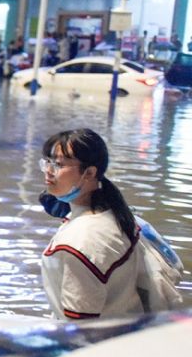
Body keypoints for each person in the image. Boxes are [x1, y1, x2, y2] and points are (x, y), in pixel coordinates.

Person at [37, 128, 146, 320]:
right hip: (124, 330)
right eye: (47, 162)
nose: (48, 171)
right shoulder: (116, 214)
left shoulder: (81, 241)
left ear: (89, 172)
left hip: (99, 343)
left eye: (58, 164)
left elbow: (80, 327)